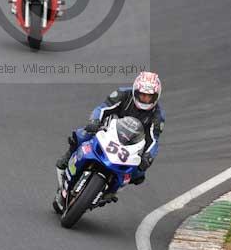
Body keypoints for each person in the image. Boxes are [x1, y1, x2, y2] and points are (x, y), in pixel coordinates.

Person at [55, 71, 165, 206]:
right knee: (82, 134)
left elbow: (153, 140)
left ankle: (112, 190)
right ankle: (67, 160)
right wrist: (95, 121)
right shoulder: (123, 94)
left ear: (156, 97)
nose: (144, 99)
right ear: (135, 91)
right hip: (109, 130)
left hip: (131, 145)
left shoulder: (157, 116)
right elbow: (102, 108)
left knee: (139, 173)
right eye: (142, 94)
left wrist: (148, 157)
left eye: (149, 97)